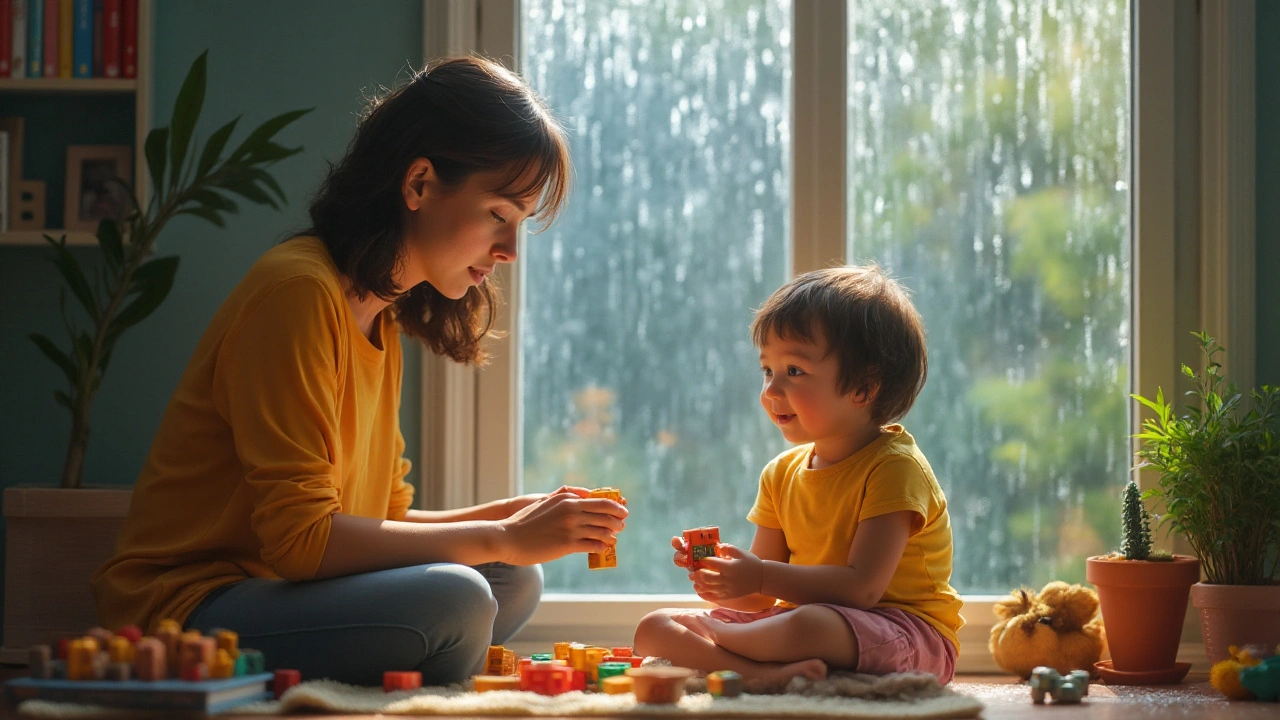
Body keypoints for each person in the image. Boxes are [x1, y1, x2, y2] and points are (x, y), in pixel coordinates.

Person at [91, 57, 628, 687]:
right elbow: (302, 542)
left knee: (512, 578)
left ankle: (407, 667)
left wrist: (515, 521)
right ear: (420, 183)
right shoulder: (297, 293)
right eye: (498, 215)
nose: (510, 251)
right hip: (193, 609)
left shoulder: (379, 313)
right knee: (457, 598)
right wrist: (503, 533)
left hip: (285, 592)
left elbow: (382, 515)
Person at [633, 265, 963, 685]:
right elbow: (760, 595)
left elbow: (862, 590)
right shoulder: (781, 473)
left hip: (902, 630)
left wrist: (755, 583)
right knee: (654, 626)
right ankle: (755, 674)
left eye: (794, 371)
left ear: (864, 388)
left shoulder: (895, 467)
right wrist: (723, 577)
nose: (771, 391)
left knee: (808, 627)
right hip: (804, 619)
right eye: (767, 370)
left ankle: (735, 649)